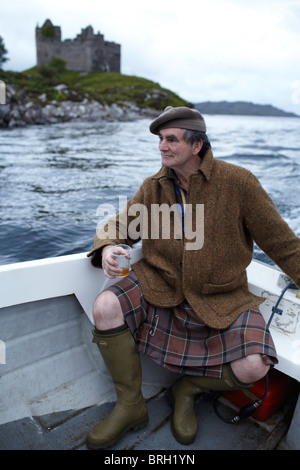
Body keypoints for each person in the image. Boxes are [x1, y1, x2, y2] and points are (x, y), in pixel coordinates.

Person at [85, 106, 300, 449]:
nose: (162, 147)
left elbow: (283, 244)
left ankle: (188, 389)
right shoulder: (153, 187)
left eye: (171, 139)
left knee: (255, 365)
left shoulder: (239, 183)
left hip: (221, 295)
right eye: (160, 140)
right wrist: (109, 246)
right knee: (106, 305)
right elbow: (121, 225)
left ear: (196, 145)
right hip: (160, 284)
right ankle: (131, 405)